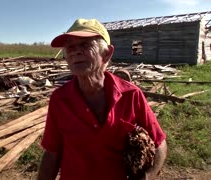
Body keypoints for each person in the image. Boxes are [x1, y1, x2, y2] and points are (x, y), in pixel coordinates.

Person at [37, 18, 167, 180]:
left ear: (106, 53)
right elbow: (51, 153)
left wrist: (147, 176)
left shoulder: (131, 95)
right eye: (70, 47)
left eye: (85, 45)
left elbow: (160, 142)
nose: (75, 51)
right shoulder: (60, 99)